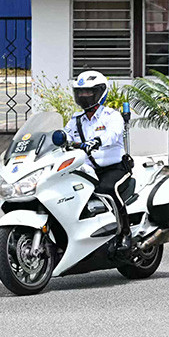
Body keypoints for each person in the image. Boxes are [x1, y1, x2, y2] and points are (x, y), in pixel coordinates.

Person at [64, 70, 131, 254]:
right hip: (87, 170)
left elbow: (114, 133)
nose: (84, 96)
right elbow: (64, 135)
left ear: (101, 93)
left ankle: (125, 233)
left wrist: (98, 140)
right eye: (80, 93)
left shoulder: (111, 116)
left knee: (108, 190)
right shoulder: (75, 121)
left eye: (89, 92)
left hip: (114, 168)